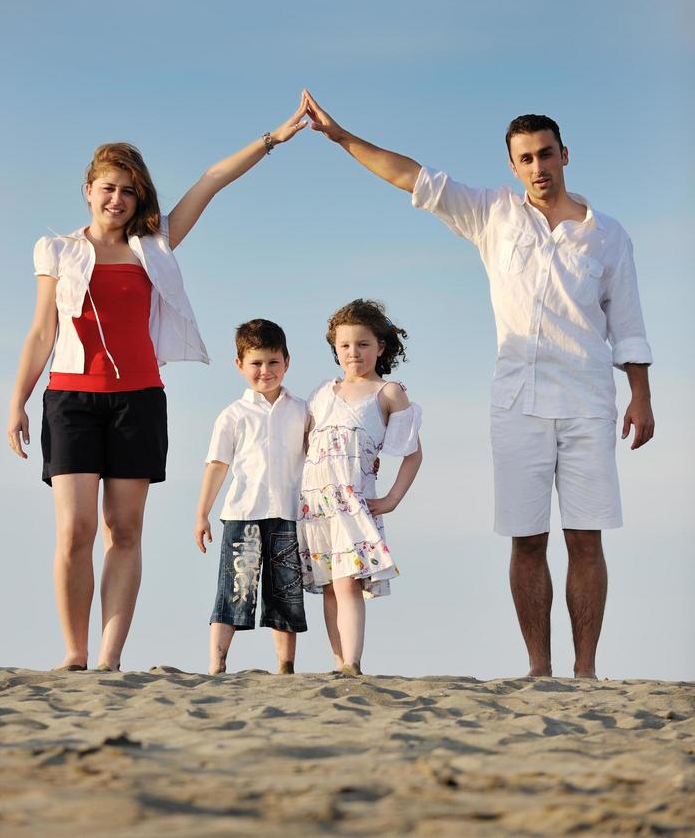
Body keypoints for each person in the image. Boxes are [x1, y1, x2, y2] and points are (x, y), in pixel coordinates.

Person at [303, 91, 654, 679]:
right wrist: (342, 138)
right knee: (526, 539)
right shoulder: (493, 214)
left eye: (546, 155)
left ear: (565, 155)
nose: (538, 168)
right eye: (525, 159)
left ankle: (586, 672)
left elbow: (629, 324)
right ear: (513, 167)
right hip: (516, 404)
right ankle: (539, 671)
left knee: (586, 540)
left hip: (590, 402)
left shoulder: (608, 236)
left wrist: (641, 394)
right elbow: (412, 177)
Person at [6, 99, 308, 672]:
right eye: (108, 188)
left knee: (124, 530)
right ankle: (73, 654)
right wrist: (16, 402)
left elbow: (211, 181)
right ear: (89, 189)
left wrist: (271, 138)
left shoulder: (155, 246)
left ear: (138, 197)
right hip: (70, 399)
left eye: (128, 191)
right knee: (75, 530)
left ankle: (108, 657)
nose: (117, 199)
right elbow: (42, 330)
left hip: (139, 401)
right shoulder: (58, 250)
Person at [297, 299, 422, 676]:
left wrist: (391, 499)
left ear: (380, 347)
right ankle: (338, 662)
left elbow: (413, 454)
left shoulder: (388, 393)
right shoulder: (322, 391)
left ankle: (352, 663)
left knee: (347, 582)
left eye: (363, 344)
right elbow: (305, 445)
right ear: (335, 348)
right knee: (330, 585)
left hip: (352, 502)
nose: (354, 353)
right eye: (345, 345)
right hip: (315, 504)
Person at [194, 319, 308, 675]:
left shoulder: (302, 410)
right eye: (256, 363)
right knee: (234, 590)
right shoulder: (233, 415)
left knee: (286, 593)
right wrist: (202, 514)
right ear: (240, 365)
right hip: (243, 515)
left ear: (287, 362)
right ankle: (217, 664)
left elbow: (322, 454)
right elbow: (216, 466)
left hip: (289, 514)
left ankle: (285, 667)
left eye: (273, 362)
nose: (265, 371)